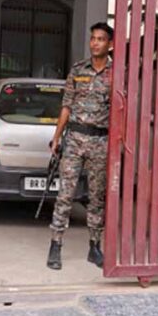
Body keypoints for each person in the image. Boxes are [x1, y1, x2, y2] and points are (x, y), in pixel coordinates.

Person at [47, 22, 114, 270]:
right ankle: (55, 245)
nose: (95, 43)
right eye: (93, 38)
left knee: (96, 197)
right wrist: (57, 136)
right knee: (65, 194)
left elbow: (121, 108)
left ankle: (94, 247)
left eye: (100, 39)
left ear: (110, 44)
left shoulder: (117, 73)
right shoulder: (78, 70)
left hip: (100, 141)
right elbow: (66, 105)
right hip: (75, 139)